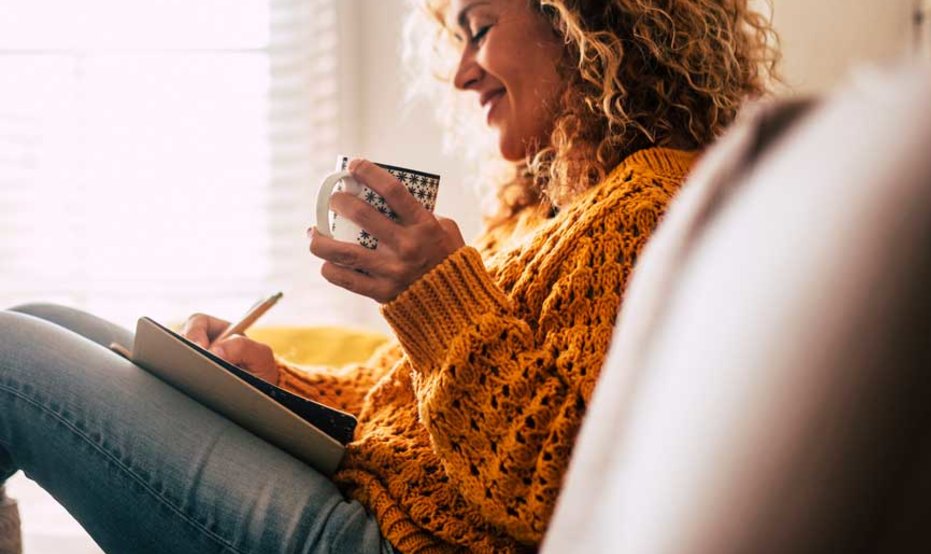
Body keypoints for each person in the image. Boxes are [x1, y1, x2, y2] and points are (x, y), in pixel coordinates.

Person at [0, 0, 778, 552]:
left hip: (394, 539)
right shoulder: (550, 209)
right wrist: (275, 385)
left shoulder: (646, 209)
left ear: (585, 21)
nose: (462, 75)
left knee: (9, 357)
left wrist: (435, 296)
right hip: (377, 495)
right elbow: (401, 406)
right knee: (44, 317)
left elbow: (562, 494)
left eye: (479, 29)